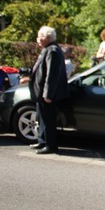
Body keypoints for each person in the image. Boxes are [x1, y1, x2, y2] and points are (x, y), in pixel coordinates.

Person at [28, 26, 69, 154]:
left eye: (40, 36)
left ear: (47, 38)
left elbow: (52, 75)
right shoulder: (48, 49)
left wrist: (48, 94)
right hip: (41, 92)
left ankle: (51, 145)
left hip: (47, 94)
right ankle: (42, 141)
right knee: (41, 118)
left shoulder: (52, 50)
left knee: (48, 121)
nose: (38, 39)